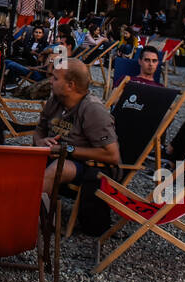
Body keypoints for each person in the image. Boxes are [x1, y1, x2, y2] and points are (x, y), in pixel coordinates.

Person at [32, 60, 121, 197]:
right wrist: (40, 141)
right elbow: (39, 129)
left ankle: (34, 215)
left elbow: (112, 156)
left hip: (89, 165)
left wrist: (66, 149)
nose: (50, 81)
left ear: (70, 85)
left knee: (55, 170)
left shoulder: (92, 110)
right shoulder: (55, 100)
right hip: (55, 155)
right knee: (18, 161)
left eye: (55, 78)